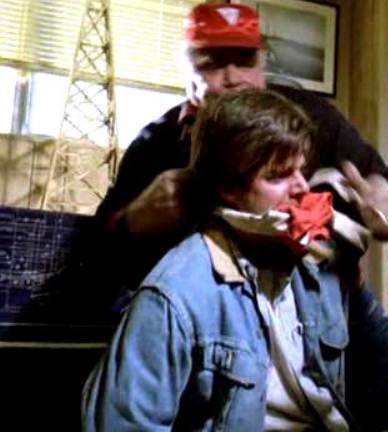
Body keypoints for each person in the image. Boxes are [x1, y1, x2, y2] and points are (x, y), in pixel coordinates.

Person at [89, 3, 388, 430]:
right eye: (211, 63)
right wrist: (133, 220)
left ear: (263, 60)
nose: (232, 77)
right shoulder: (154, 147)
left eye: (245, 60)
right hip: (220, 332)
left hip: (335, 319)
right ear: (184, 65)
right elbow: (95, 256)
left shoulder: (309, 117)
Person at [83, 89, 366, 429]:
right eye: (278, 175)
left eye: (301, 171)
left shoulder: (320, 269)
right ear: (228, 189)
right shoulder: (174, 295)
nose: (302, 188)